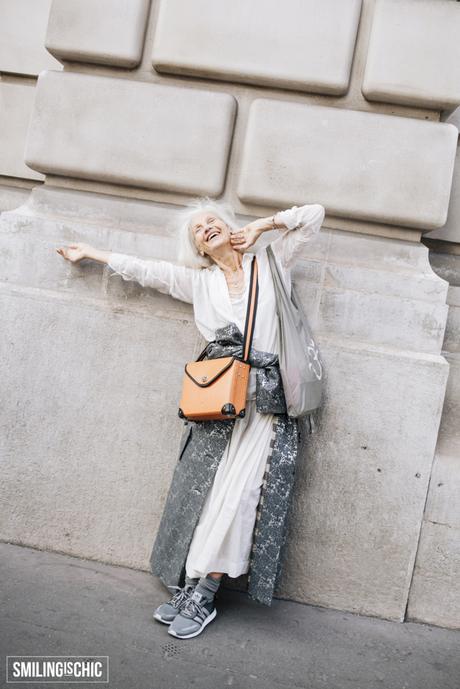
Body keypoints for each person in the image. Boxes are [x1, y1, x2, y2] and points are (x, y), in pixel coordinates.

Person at [56, 197, 325, 639]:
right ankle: (194, 585)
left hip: (269, 408)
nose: (206, 229)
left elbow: (313, 215)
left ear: (228, 227)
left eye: (212, 221)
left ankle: (205, 594)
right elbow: (145, 270)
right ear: (198, 248)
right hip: (220, 406)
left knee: (240, 501)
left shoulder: (272, 262)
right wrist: (91, 252)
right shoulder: (200, 283)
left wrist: (261, 226)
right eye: (198, 229)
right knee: (208, 498)